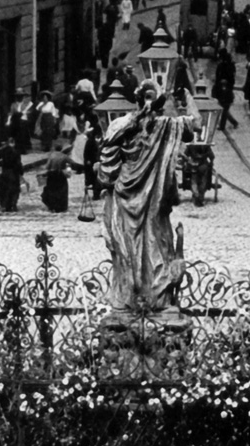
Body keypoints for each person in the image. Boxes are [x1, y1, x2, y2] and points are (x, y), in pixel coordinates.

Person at [98, 86, 202, 311]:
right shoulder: (164, 125)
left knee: (130, 249)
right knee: (149, 247)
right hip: (148, 200)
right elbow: (196, 122)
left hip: (129, 199)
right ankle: (152, 298)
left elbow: (105, 171)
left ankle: (130, 299)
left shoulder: (124, 125)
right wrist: (187, 96)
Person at [0, 137, 23, 213]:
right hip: (14, 173)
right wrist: (21, 172)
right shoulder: (16, 152)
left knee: (4, 188)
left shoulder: (2, 151)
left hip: (5, 172)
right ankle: (13, 204)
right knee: (14, 189)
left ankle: (4, 204)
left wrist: (2, 164)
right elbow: (18, 164)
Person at [41, 144, 71, 213]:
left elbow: (47, 166)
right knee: (61, 191)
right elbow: (72, 163)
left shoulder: (51, 156)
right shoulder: (64, 156)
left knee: (52, 191)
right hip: (60, 175)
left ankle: (52, 206)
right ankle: (60, 206)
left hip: (51, 175)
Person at [6, 88, 33, 155]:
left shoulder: (25, 104)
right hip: (16, 122)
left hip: (23, 121)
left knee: (23, 135)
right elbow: (11, 113)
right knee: (16, 135)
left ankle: (24, 149)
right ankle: (17, 149)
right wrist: (8, 121)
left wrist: (26, 114)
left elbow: (28, 112)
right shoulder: (13, 105)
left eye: (21, 96)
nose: (20, 97)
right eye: (18, 96)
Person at [83, 122, 102, 200]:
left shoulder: (92, 141)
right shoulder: (90, 142)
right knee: (94, 179)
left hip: (94, 162)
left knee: (96, 179)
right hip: (92, 162)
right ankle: (96, 194)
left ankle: (97, 193)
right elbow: (87, 153)